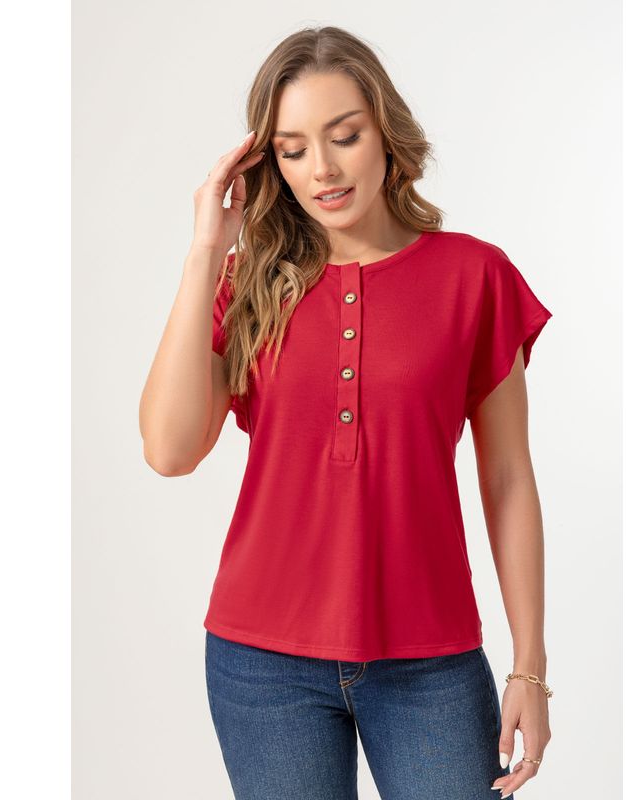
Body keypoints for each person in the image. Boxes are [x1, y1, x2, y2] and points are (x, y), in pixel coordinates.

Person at [139, 25, 553, 800]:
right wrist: (205, 253)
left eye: (345, 136)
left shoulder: (475, 276)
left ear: (386, 134)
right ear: (272, 164)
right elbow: (169, 449)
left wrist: (529, 666)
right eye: (293, 150)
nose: (322, 169)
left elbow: (507, 477)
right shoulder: (248, 283)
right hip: (261, 663)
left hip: (430, 662)